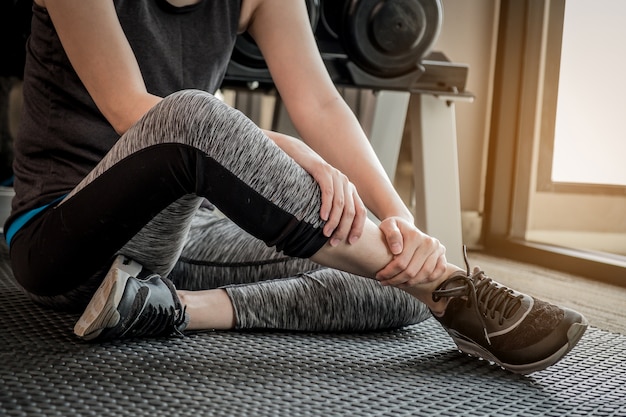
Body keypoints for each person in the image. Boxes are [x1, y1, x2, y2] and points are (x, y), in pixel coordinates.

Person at [5, 0, 587, 375]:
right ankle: (452, 292)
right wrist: (292, 148)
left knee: (387, 279)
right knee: (194, 113)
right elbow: (133, 110)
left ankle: (166, 309)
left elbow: (323, 105)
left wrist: (406, 228)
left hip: (180, 241)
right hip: (65, 236)